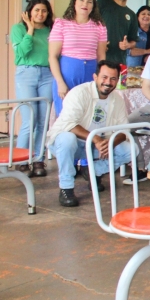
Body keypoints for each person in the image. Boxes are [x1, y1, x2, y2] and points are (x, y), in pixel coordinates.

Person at [47, 61, 133, 207]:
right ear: (95, 77)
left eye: (113, 79)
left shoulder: (117, 99)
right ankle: (66, 188)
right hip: (68, 143)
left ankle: (94, 172)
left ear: (117, 80)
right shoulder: (79, 93)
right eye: (104, 77)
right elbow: (69, 124)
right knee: (67, 138)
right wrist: (97, 139)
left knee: (130, 149)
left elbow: (125, 130)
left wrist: (109, 142)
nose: (108, 82)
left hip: (97, 145)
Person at [11, 0, 54, 177]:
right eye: (37, 10)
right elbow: (21, 53)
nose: (40, 14)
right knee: (30, 119)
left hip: (47, 75)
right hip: (26, 73)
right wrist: (29, 29)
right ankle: (21, 159)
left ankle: (38, 159)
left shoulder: (50, 30)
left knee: (43, 121)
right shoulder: (18, 29)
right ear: (29, 11)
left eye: (44, 11)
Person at [49, 0, 108, 115]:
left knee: (88, 115)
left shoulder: (100, 26)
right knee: (67, 115)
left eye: (89, 2)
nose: (85, 4)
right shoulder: (61, 24)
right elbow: (52, 57)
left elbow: (101, 56)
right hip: (67, 75)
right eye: (81, 0)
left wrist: (102, 79)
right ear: (74, 3)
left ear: (93, 6)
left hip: (91, 74)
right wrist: (60, 82)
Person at [97, 0, 138, 66]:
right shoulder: (102, 4)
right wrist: (98, 43)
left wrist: (128, 45)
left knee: (120, 80)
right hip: (99, 58)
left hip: (120, 61)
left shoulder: (132, 14)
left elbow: (133, 41)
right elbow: (89, 24)